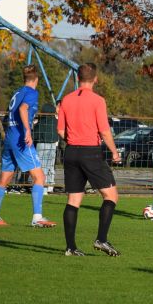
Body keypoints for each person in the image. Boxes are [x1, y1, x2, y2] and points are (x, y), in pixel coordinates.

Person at [57, 63, 122, 256]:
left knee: (74, 199)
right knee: (111, 196)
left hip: (70, 152)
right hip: (90, 152)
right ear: (96, 78)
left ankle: (70, 247)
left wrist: (74, 140)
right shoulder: (97, 100)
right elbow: (103, 130)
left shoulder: (66, 100)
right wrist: (114, 152)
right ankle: (101, 239)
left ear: (78, 78)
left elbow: (60, 130)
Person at [0, 65, 56, 227]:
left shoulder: (17, 92)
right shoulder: (32, 92)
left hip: (10, 137)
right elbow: (24, 109)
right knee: (39, 177)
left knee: (5, 178)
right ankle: (37, 217)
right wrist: (27, 131)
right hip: (20, 138)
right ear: (36, 80)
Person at [33, 101, 60, 194]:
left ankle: (42, 188)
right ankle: (49, 187)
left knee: (41, 167)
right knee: (50, 166)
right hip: (53, 145)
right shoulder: (56, 121)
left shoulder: (41, 122)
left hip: (41, 144)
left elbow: (35, 134)